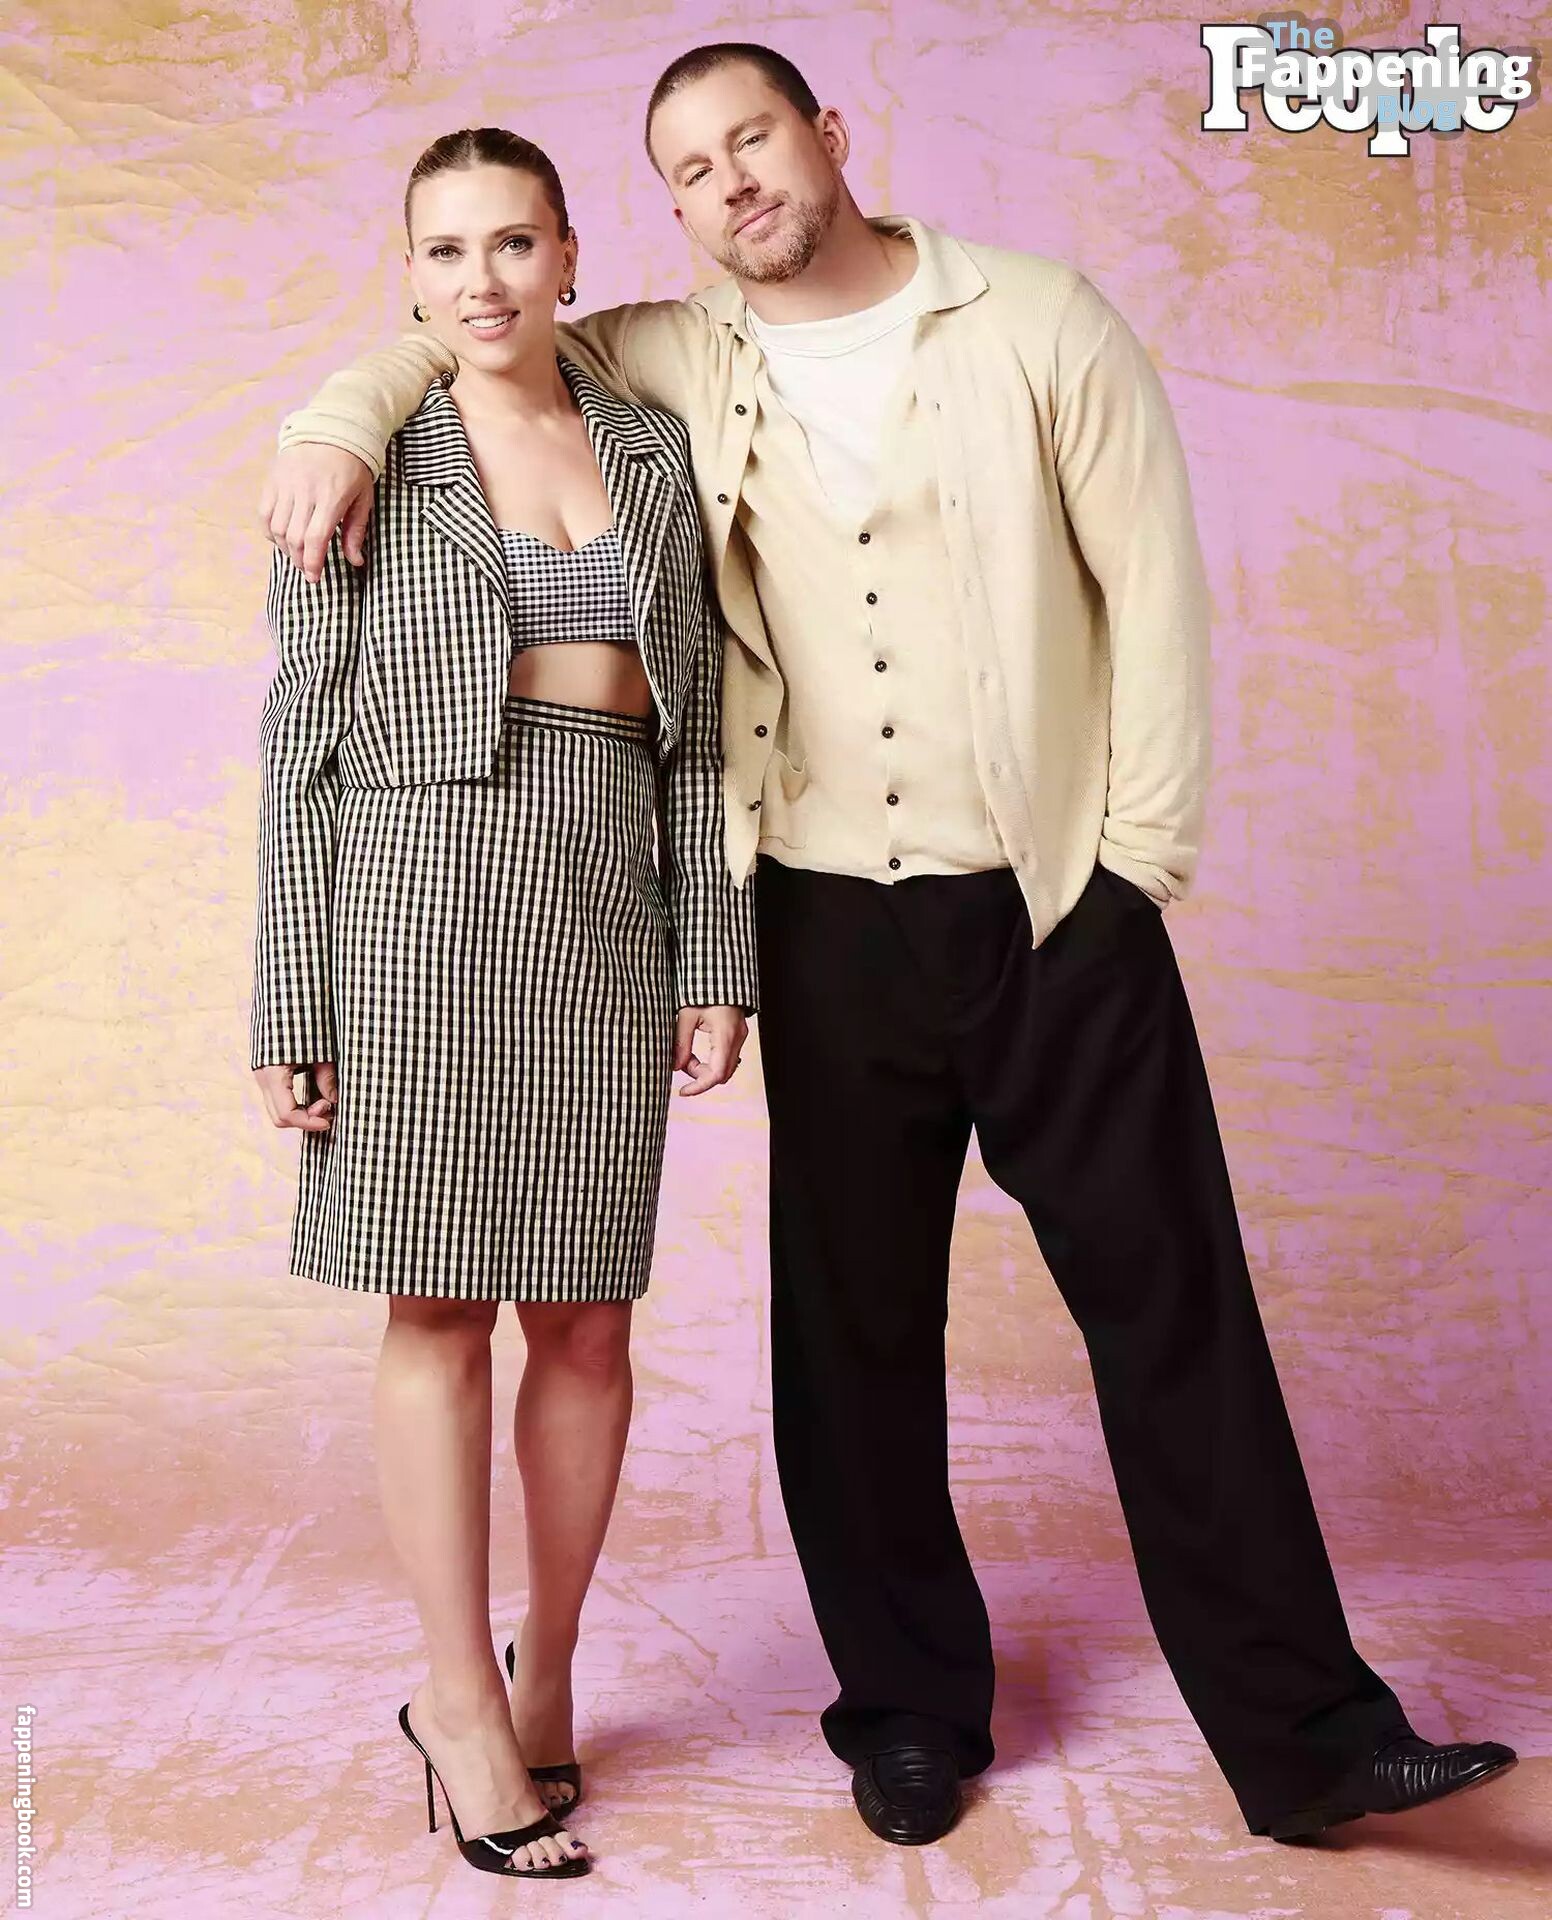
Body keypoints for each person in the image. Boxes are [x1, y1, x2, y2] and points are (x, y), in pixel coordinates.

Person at [255, 48, 1517, 1850]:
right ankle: (907, 1717)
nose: (732, 185)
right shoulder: (676, 352)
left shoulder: (1041, 323)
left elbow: (1157, 591)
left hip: (1053, 899)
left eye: (753, 140)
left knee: (1178, 1313)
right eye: (692, 169)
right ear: (670, 212)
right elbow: (471, 339)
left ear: (829, 137)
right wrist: (334, 420)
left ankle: (1311, 1737)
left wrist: (1134, 871)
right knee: (852, 1342)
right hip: (823, 909)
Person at [248, 124, 757, 1881]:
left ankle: (551, 1672)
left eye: (515, 243)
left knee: (591, 1321)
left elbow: (702, 733)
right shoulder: (361, 456)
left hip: (608, 903)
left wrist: (716, 957)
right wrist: (287, 992)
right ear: (409, 273)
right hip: (414, 909)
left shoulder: (649, 444)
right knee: (442, 1309)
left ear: (568, 255)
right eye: (448, 250)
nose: (484, 280)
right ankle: (458, 1701)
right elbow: (297, 738)